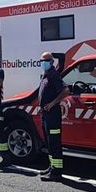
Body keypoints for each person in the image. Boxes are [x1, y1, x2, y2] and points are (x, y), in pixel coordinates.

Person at [37, 52, 70, 182]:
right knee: (49, 142)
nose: (43, 63)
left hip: (52, 115)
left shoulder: (54, 75)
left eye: (46, 60)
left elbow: (65, 91)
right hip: (45, 114)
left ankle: (57, 172)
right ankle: (52, 167)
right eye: (41, 60)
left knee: (54, 143)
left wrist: (52, 103)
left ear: (51, 62)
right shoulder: (46, 74)